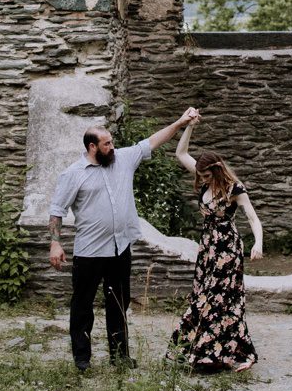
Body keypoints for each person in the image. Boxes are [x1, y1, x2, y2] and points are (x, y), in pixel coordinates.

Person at [47, 107, 198, 371]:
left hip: (119, 249)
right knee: (82, 307)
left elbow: (154, 140)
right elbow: (57, 211)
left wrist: (180, 122)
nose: (113, 147)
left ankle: (120, 356)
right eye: (107, 144)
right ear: (93, 147)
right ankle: (82, 359)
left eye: (112, 142)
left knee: (118, 304)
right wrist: (55, 242)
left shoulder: (124, 159)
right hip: (89, 252)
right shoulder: (73, 174)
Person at [168, 118, 263, 373]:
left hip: (227, 248)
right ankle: (203, 353)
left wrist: (258, 243)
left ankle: (238, 354)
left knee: (223, 299)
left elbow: (253, 217)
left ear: (217, 170)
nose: (203, 179)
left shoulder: (235, 188)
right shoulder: (204, 179)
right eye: (201, 175)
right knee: (202, 296)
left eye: (208, 175)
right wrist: (189, 126)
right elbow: (181, 153)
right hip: (208, 249)